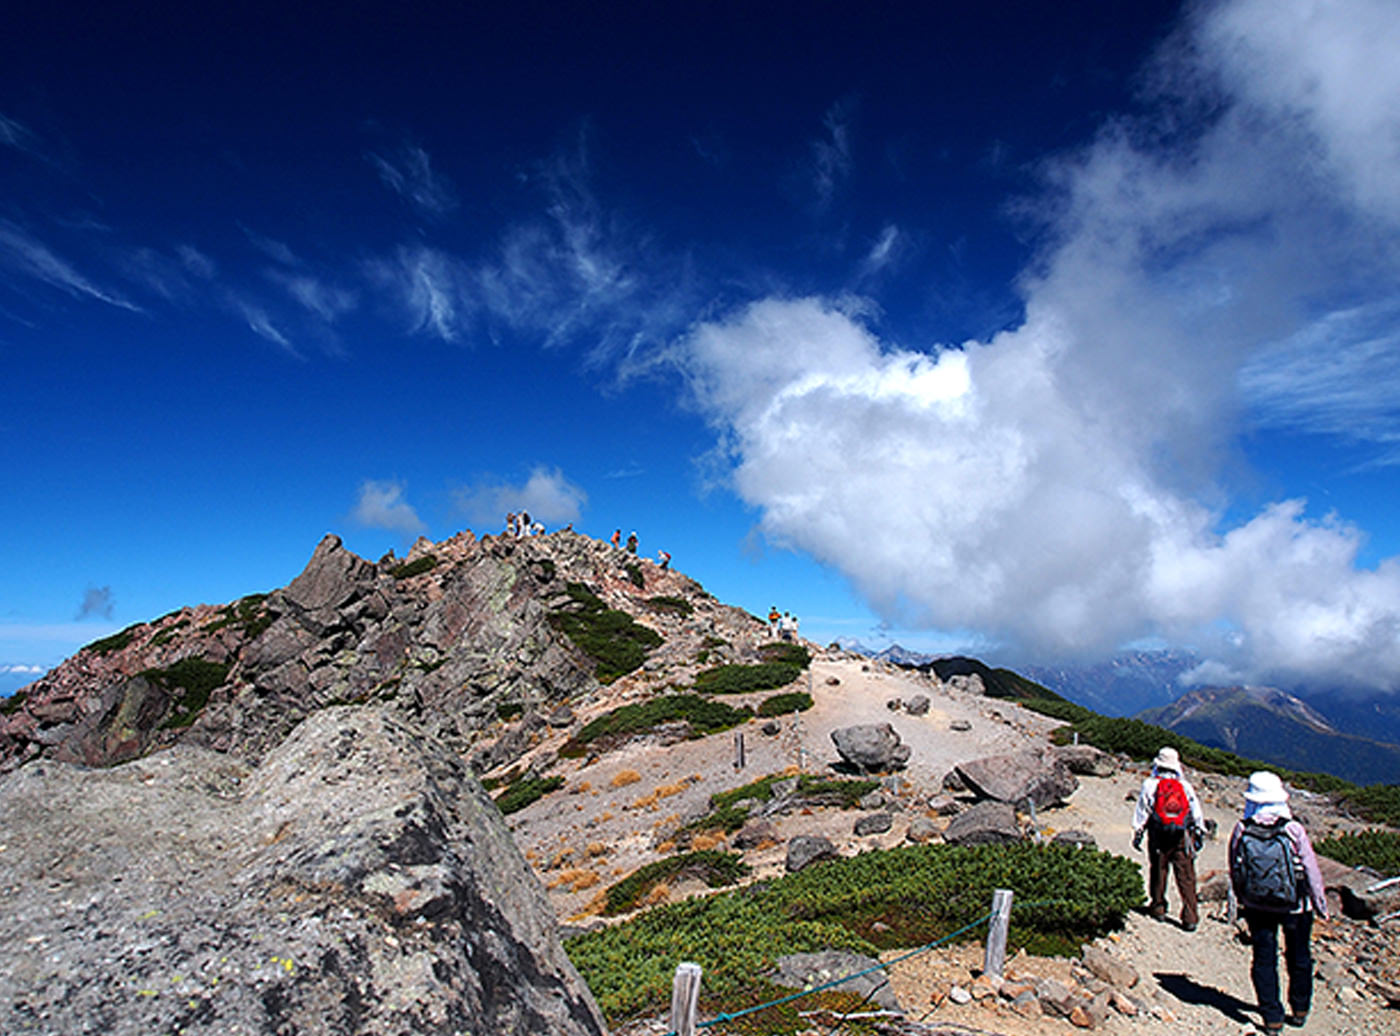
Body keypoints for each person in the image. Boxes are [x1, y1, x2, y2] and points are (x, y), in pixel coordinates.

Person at [1229, 771, 1328, 1034]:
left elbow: (1235, 866)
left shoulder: (1242, 828)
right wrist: (1320, 903)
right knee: (1299, 956)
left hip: (1257, 906)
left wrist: (1241, 898)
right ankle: (1299, 1009)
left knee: (1264, 958)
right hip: (1296, 906)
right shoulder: (1293, 829)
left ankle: (1272, 1017)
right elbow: (1311, 870)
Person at [1131, 746, 1205, 930]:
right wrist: (1199, 831)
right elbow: (1195, 811)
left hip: (1158, 834)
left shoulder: (1150, 784)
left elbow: (1143, 809)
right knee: (1186, 875)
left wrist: (1138, 831)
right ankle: (1190, 916)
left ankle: (1158, 907)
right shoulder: (1185, 786)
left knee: (1159, 869)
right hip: (1181, 835)